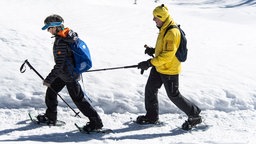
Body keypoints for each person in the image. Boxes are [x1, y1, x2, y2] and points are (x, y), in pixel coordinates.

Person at [136, 4, 202, 130]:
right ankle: (151, 117)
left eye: (156, 17)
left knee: (174, 95)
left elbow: (168, 56)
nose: (154, 20)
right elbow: (165, 49)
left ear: (162, 17)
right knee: (150, 88)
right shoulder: (163, 27)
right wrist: (153, 50)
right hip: (160, 66)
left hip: (169, 70)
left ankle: (194, 115)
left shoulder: (172, 32)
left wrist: (149, 63)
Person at [38, 14, 103, 131]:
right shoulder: (66, 36)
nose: (48, 31)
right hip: (64, 74)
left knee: (79, 100)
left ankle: (96, 123)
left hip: (69, 76)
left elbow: (59, 65)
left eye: (49, 28)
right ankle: (50, 117)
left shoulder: (62, 42)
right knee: (51, 91)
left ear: (56, 27)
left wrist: (48, 79)